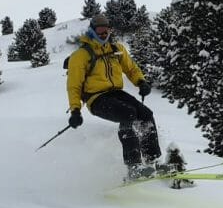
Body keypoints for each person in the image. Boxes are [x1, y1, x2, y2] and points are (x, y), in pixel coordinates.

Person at [66, 13, 161, 178]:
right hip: (96, 98)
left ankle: (152, 160)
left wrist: (141, 82)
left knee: (146, 114)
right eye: (99, 30)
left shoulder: (117, 49)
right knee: (128, 113)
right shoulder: (81, 55)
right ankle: (134, 167)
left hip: (116, 93)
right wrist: (75, 110)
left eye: (106, 30)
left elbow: (131, 68)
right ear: (92, 31)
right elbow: (74, 85)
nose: (103, 34)